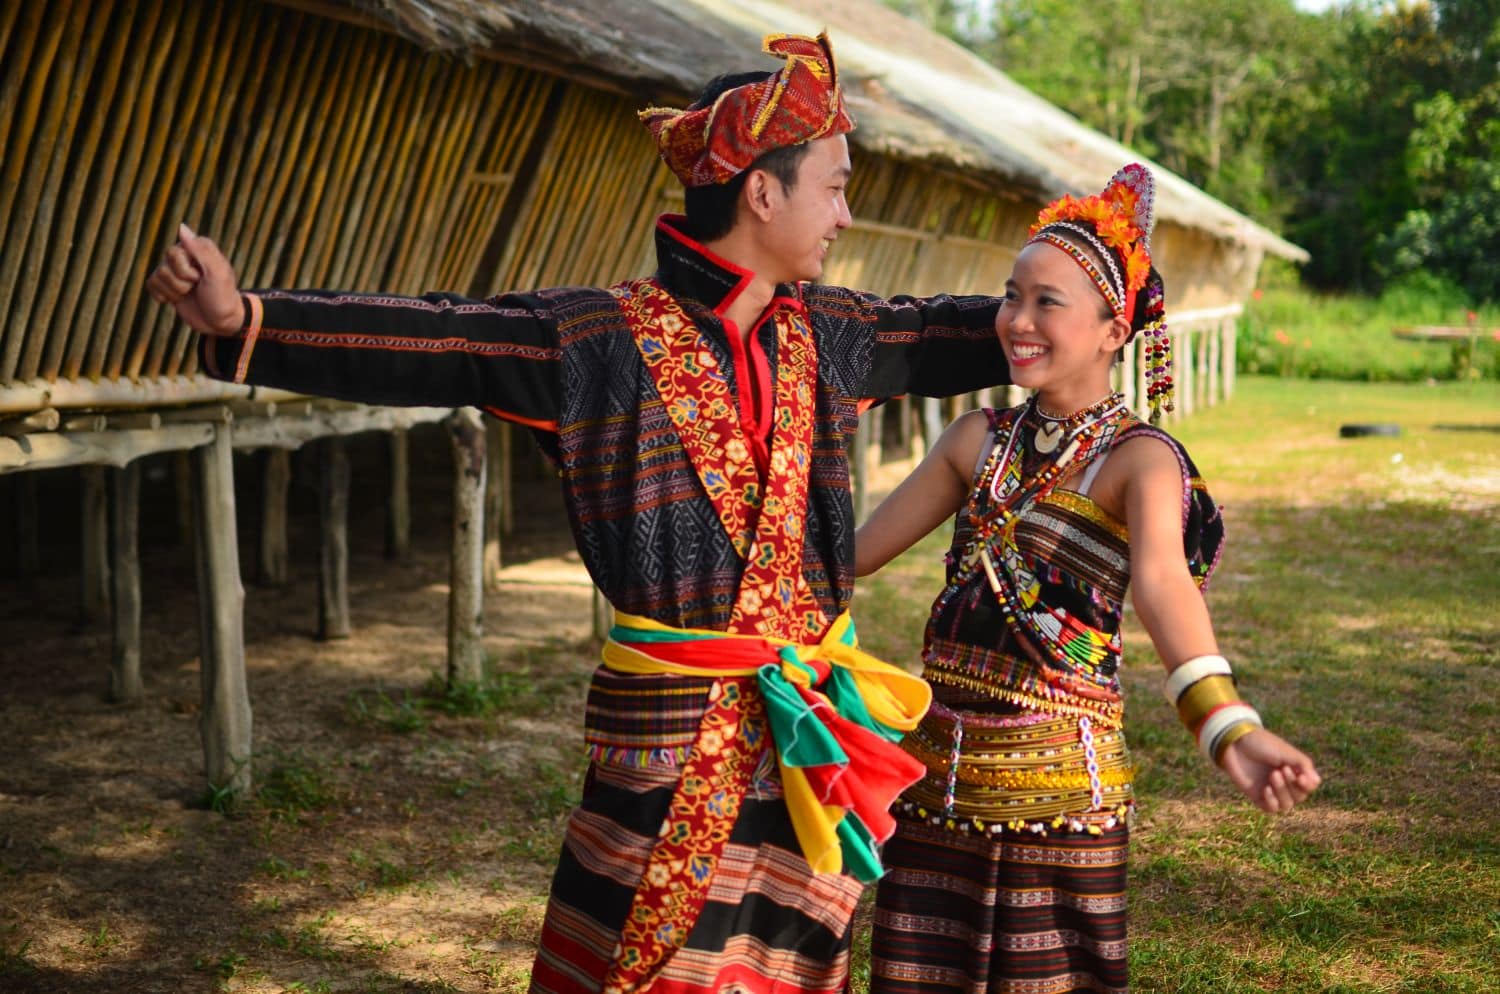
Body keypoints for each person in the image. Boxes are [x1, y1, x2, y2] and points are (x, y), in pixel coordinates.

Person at [147, 33, 1012, 994]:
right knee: (641, 959)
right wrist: (249, 324)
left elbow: (951, 331)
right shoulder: (597, 340)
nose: (847, 215)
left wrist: (1097, 298)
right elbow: (440, 339)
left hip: (811, 723)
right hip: (673, 733)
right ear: (763, 194)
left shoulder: (832, 334)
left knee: (792, 954)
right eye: (835, 187)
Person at [853, 163, 1322, 994]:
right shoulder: (975, 441)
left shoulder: (1139, 462)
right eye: (1010, 295)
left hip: (1060, 796)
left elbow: (1164, 587)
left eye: (1047, 302)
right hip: (933, 791)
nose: (1016, 320)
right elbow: (849, 559)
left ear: (1114, 330)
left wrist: (1228, 727)